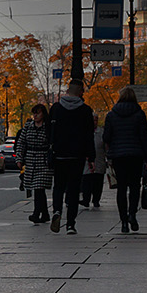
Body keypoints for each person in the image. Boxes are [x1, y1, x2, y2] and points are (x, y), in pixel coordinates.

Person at [103, 86, 147, 234]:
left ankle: (124, 222)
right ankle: (132, 214)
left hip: (118, 156)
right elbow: (144, 138)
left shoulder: (111, 115)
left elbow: (106, 137)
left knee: (121, 188)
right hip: (135, 155)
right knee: (134, 187)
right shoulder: (139, 114)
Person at [47, 79, 95, 234]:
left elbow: (49, 131)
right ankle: (70, 224)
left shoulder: (56, 108)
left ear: (67, 91)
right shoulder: (85, 110)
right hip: (77, 155)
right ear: (80, 91)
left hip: (59, 154)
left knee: (59, 186)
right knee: (74, 189)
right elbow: (89, 135)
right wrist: (91, 157)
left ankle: (57, 211)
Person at [16, 103, 53, 224]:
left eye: (38, 113)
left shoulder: (48, 127)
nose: (35, 115)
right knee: (37, 188)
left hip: (44, 161)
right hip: (31, 160)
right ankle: (45, 214)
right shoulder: (28, 126)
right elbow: (21, 143)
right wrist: (19, 159)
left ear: (43, 114)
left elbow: (52, 143)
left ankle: (36, 213)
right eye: (34, 113)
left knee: (39, 187)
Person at [80, 123, 107, 209]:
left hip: (99, 160)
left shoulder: (101, 132)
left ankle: (96, 200)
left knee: (98, 182)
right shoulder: (84, 131)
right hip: (87, 161)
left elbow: (105, 146)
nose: (94, 122)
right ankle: (86, 200)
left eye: (95, 120)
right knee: (86, 181)